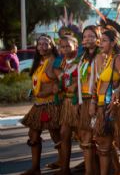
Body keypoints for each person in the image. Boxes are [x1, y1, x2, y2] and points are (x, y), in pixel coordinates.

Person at [90, 28, 120, 175]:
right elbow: (99, 84)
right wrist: (94, 102)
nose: (100, 43)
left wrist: (117, 100)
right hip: (102, 107)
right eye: (100, 40)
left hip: (115, 109)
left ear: (114, 43)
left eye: (104, 40)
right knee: (104, 146)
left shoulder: (119, 59)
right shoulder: (105, 59)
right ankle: (117, 171)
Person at [21, 34, 62, 175]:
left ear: (52, 46)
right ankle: (35, 168)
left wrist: (51, 90)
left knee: (56, 134)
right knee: (33, 134)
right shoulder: (40, 63)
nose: (42, 47)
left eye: (46, 44)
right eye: (40, 44)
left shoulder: (55, 62)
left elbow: (63, 82)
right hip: (39, 105)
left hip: (51, 104)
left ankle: (63, 165)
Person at [77, 25, 101, 175]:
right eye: (85, 36)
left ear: (98, 39)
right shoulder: (83, 57)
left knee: (101, 138)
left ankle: (119, 170)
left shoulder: (100, 56)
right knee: (86, 137)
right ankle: (89, 171)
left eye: (91, 36)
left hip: (96, 101)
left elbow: (100, 81)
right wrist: (78, 102)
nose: (87, 39)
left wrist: (94, 102)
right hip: (84, 101)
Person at [55, 35, 80, 174]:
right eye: (62, 46)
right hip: (67, 102)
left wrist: (76, 83)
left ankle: (115, 168)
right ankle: (65, 169)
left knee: (85, 138)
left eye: (67, 46)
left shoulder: (80, 60)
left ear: (75, 46)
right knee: (64, 134)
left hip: (79, 102)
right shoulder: (64, 61)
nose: (64, 49)